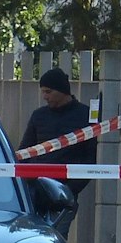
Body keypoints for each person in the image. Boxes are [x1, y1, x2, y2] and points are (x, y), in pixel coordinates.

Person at [20, 67, 97, 196]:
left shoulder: (85, 116)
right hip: (34, 187)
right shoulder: (38, 116)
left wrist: (69, 190)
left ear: (62, 91)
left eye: (48, 92)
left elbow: (90, 157)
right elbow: (24, 152)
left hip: (66, 188)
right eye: (43, 92)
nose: (45, 96)